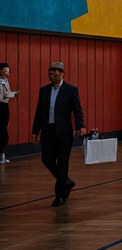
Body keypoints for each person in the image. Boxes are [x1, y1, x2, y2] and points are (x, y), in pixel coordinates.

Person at [30, 61, 86, 207]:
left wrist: (81, 126)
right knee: (46, 159)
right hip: (48, 131)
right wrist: (35, 131)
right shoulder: (44, 90)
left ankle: (60, 195)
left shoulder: (71, 89)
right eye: (50, 73)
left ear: (61, 74)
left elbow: (77, 110)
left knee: (62, 163)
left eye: (55, 72)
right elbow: (39, 112)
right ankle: (66, 181)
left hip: (64, 133)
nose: (52, 75)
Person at [0, 61, 17, 163]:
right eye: (6, 70)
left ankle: (2, 153)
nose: (8, 72)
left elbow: (6, 94)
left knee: (4, 129)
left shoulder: (6, 80)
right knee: (2, 130)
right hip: (0, 104)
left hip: (5, 105)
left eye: (8, 70)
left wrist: (13, 94)